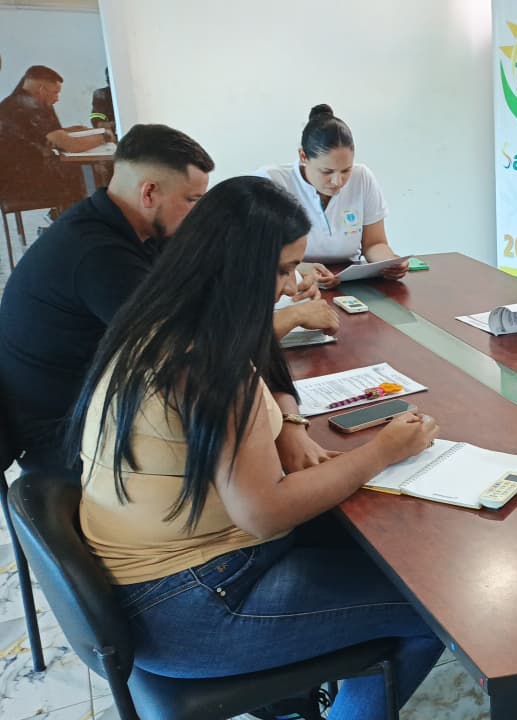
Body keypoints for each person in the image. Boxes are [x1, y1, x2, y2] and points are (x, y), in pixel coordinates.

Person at [68, 176, 444, 719]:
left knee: (372, 541)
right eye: (284, 270)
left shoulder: (167, 317)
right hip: (190, 603)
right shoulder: (203, 363)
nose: (291, 287)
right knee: (430, 610)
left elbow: (257, 361)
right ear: (241, 268)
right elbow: (264, 512)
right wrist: (382, 450)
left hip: (159, 578)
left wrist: (287, 421)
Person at [0, 124, 213, 472]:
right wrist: (288, 316)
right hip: (68, 441)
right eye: (192, 200)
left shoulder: (129, 227)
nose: (196, 214)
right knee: (233, 454)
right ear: (149, 193)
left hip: (96, 409)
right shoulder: (98, 254)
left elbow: (194, 286)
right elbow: (179, 346)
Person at [259, 104, 406, 288]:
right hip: (290, 285)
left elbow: (374, 243)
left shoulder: (362, 177)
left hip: (349, 283)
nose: (338, 181)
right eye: (326, 171)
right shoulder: (272, 182)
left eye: (346, 170)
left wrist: (390, 261)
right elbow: (256, 254)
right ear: (303, 156)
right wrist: (299, 269)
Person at [0, 65, 110, 209]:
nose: (57, 98)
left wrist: (71, 130)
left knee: (80, 171)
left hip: (11, 180)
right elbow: (71, 146)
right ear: (41, 90)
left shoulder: (13, 101)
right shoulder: (32, 105)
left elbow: (46, 133)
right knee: (93, 173)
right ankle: (81, 218)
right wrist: (105, 137)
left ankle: (66, 216)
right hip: (21, 183)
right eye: (55, 93)